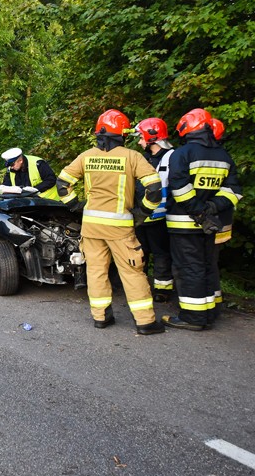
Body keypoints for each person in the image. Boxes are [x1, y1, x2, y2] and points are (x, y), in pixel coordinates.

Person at [56, 109, 164, 335]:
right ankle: (145, 322)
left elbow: (62, 184)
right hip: (120, 229)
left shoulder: (86, 156)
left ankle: (101, 317)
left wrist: (77, 206)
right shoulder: (132, 157)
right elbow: (154, 189)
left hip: (92, 227)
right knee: (132, 272)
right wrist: (142, 212)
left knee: (95, 271)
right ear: (121, 134)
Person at [163, 109, 242, 331]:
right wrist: (212, 208)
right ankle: (209, 311)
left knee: (190, 268)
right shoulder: (223, 155)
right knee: (207, 265)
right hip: (211, 223)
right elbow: (233, 190)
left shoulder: (183, 153)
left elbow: (179, 187)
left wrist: (199, 212)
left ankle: (193, 317)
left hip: (184, 223)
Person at [132, 118, 175, 303]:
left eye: (141, 137)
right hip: (141, 215)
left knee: (161, 253)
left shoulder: (172, 157)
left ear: (152, 137)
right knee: (141, 253)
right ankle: (142, 287)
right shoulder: (143, 157)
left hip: (161, 217)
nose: (139, 141)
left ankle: (162, 289)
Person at [209, 118, 233, 317]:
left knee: (207, 262)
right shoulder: (224, 157)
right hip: (222, 219)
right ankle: (214, 300)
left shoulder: (212, 157)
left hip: (211, 220)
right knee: (210, 262)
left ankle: (212, 302)